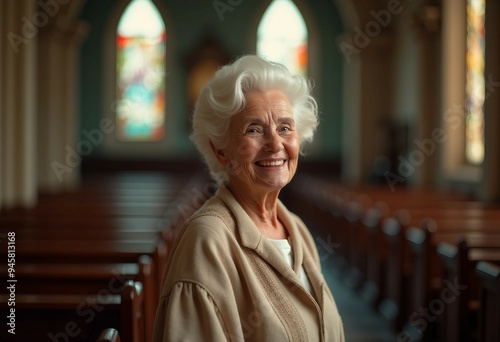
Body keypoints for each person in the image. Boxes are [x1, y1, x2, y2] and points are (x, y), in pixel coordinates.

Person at [152, 55, 344, 341]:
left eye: (285, 128)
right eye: (254, 129)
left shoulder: (295, 228)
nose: (275, 143)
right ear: (220, 151)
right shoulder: (207, 241)